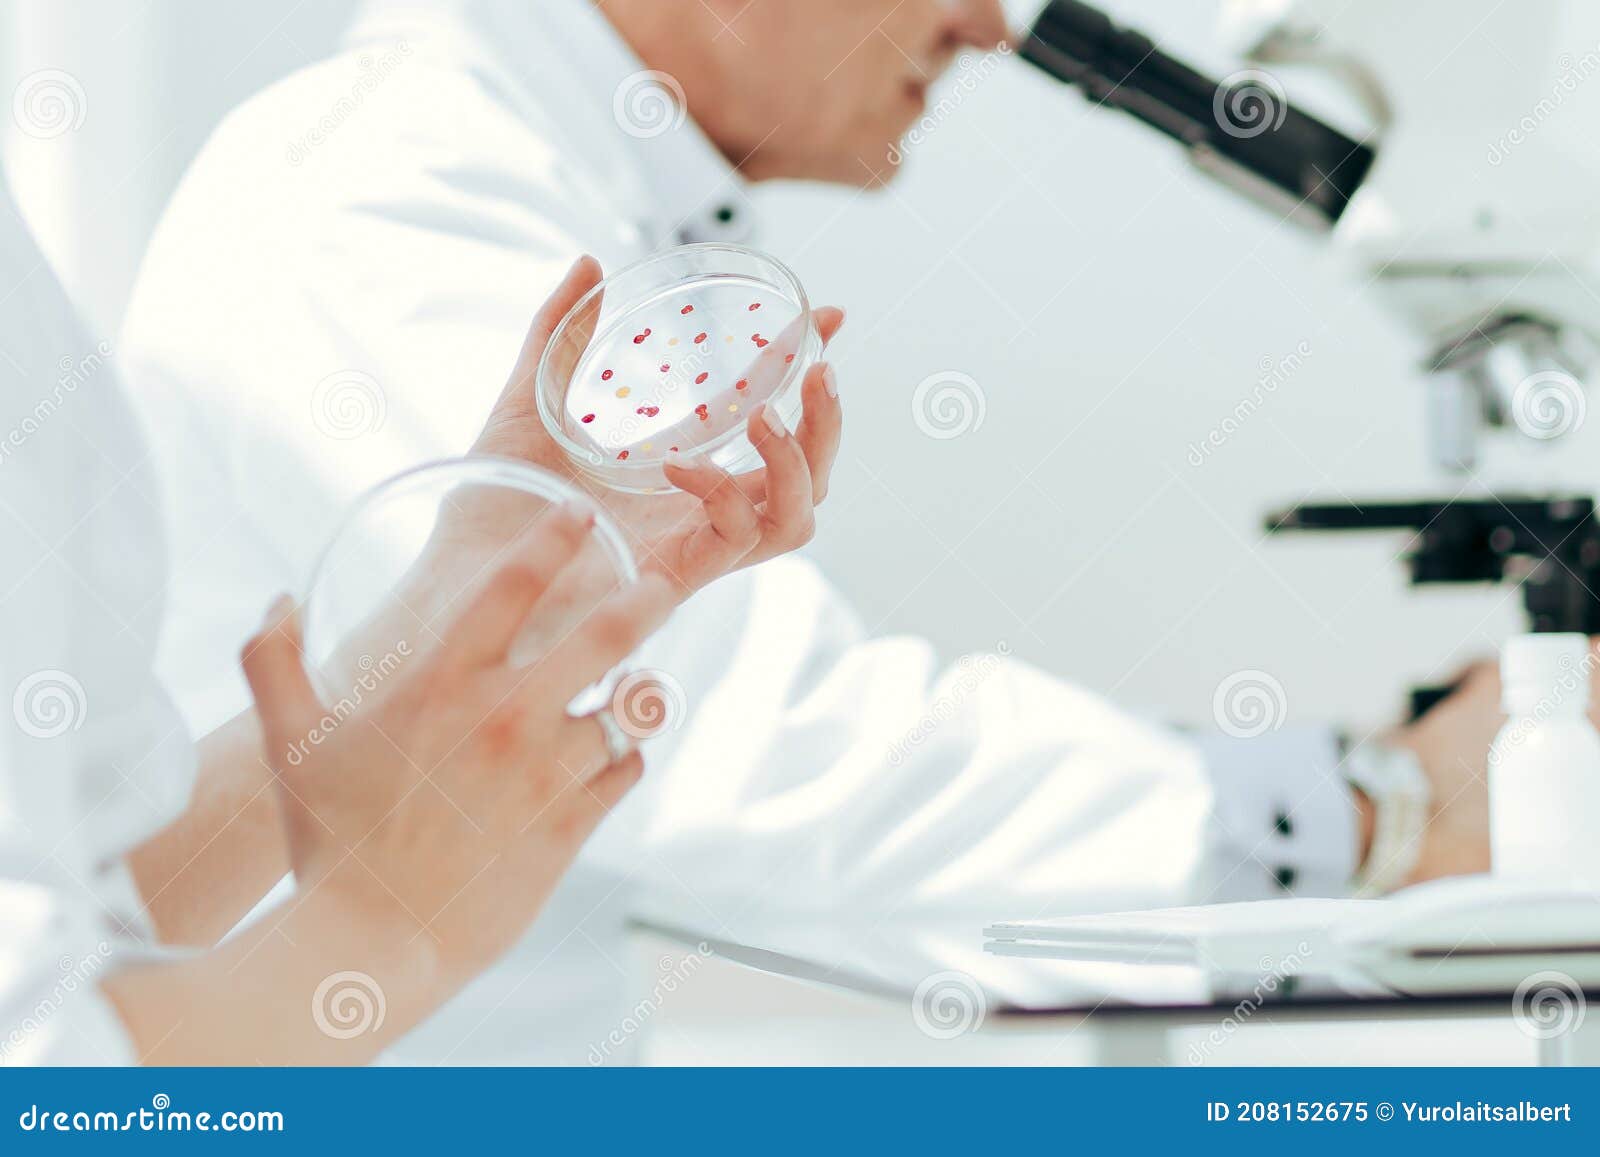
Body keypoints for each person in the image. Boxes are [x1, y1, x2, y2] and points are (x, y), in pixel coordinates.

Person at [120, 0, 1499, 1063]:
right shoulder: (399, 176)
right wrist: (1376, 813)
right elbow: (746, 750)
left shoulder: (545, 179)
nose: (985, 25)